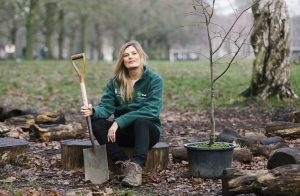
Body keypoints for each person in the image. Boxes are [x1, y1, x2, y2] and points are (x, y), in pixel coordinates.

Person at [80, 40, 163, 187]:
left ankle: (136, 167)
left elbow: (152, 110)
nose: (130, 57)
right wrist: (93, 111)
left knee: (141, 120)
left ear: (141, 55)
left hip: (147, 132)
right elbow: (106, 108)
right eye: (126, 55)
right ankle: (123, 164)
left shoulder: (154, 80)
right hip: (123, 133)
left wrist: (119, 121)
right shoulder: (115, 82)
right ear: (122, 60)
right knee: (97, 122)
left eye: (133, 53)